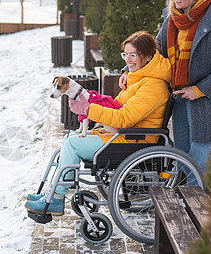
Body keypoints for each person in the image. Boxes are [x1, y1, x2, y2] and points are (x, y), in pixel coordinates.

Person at [25, 31, 171, 215]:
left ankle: (56, 197)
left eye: (133, 55)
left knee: (72, 143)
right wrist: (97, 104)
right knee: (71, 137)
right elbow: (116, 106)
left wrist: (88, 109)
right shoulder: (139, 79)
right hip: (122, 135)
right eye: (125, 54)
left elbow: (124, 118)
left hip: (133, 140)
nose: (128, 60)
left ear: (148, 56)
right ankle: (53, 192)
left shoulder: (152, 86)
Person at [119, 0, 211, 172]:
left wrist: (199, 89)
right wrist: (129, 69)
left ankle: (200, 203)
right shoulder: (172, 18)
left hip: (205, 102)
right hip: (178, 97)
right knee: (182, 156)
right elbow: (153, 50)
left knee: (200, 161)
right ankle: (185, 202)